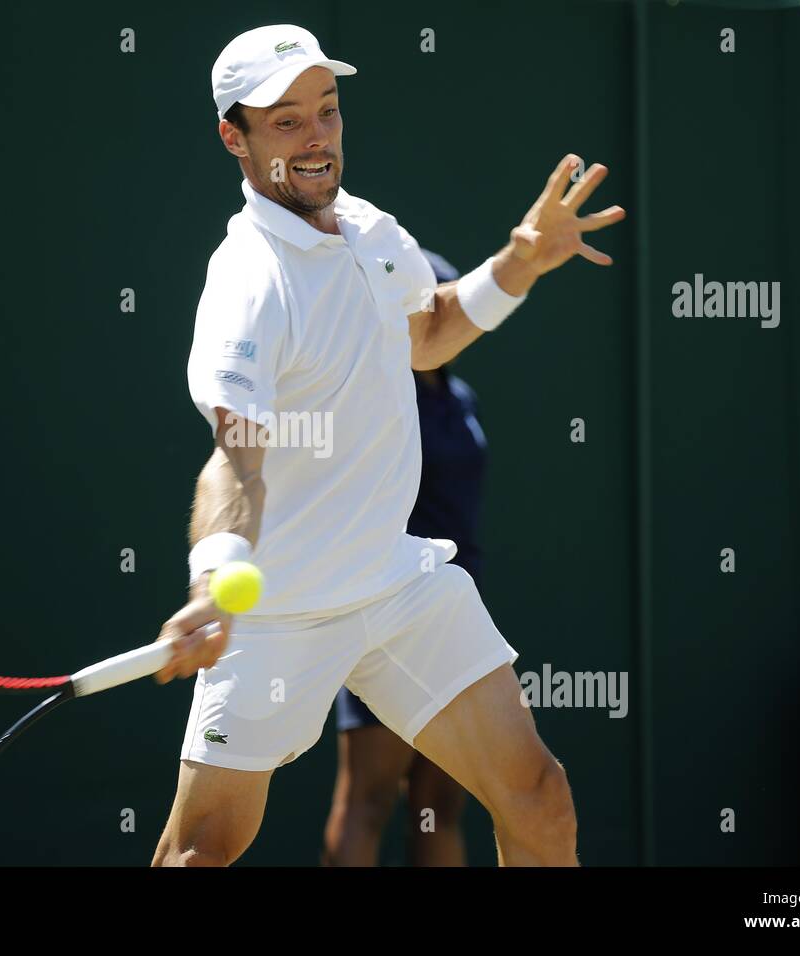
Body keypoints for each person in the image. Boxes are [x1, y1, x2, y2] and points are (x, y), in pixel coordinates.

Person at [151, 24, 625, 867]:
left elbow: (429, 335)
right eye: (286, 121)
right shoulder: (247, 281)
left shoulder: (372, 232)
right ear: (236, 136)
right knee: (200, 855)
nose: (317, 138)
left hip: (395, 582)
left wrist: (521, 260)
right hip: (279, 610)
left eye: (326, 113)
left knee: (539, 799)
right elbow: (238, 458)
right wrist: (214, 581)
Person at [322, 249, 488, 867]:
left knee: (440, 802)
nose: (445, 319)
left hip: (458, 605)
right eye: (432, 307)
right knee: (368, 799)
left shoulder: (460, 396)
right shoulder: (377, 398)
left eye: (449, 305)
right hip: (389, 608)